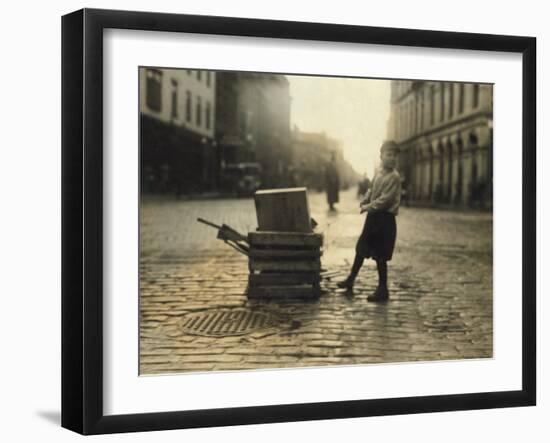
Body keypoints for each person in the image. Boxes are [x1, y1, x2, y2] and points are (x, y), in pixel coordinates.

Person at [337, 140, 401, 302]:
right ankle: (351, 279)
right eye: (388, 154)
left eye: (394, 156)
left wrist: (368, 207)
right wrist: (365, 200)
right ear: (381, 156)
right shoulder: (379, 173)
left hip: (385, 220)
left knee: (381, 255)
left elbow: (385, 200)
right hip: (373, 218)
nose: (392, 158)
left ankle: (382, 289)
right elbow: (372, 190)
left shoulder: (394, 177)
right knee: (361, 248)